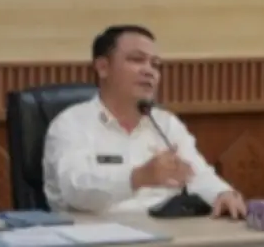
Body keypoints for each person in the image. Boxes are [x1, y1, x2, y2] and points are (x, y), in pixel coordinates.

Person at [43, 25, 247, 218]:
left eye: (155, 65)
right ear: (103, 67)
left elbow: (197, 174)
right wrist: (138, 178)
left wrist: (222, 193)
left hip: (168, 230)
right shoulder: (71, 124)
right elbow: (73, 189)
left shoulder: (165, 124)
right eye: (137, 60)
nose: (149, 71)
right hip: (94, 233)